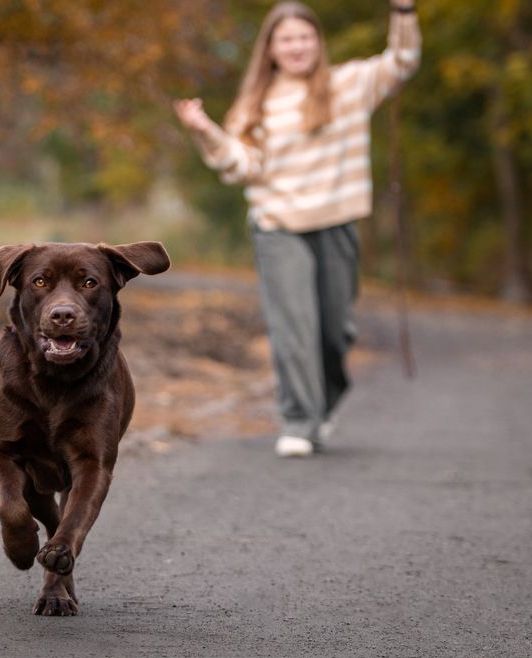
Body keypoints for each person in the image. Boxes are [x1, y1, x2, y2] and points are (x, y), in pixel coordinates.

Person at [174, 1, 421, 457]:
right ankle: (297, 419)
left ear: (317, 43)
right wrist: (205, 131)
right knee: (293, 327)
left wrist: (403, 11)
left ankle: (323, 403)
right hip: (278, 225)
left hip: (336, 222)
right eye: (287, 38)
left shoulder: (347, 85)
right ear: (270, 47)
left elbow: (402, 61)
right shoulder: (256, 103)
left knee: (334, 331)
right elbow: (242, 166)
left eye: (305, 37)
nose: (297, 46)